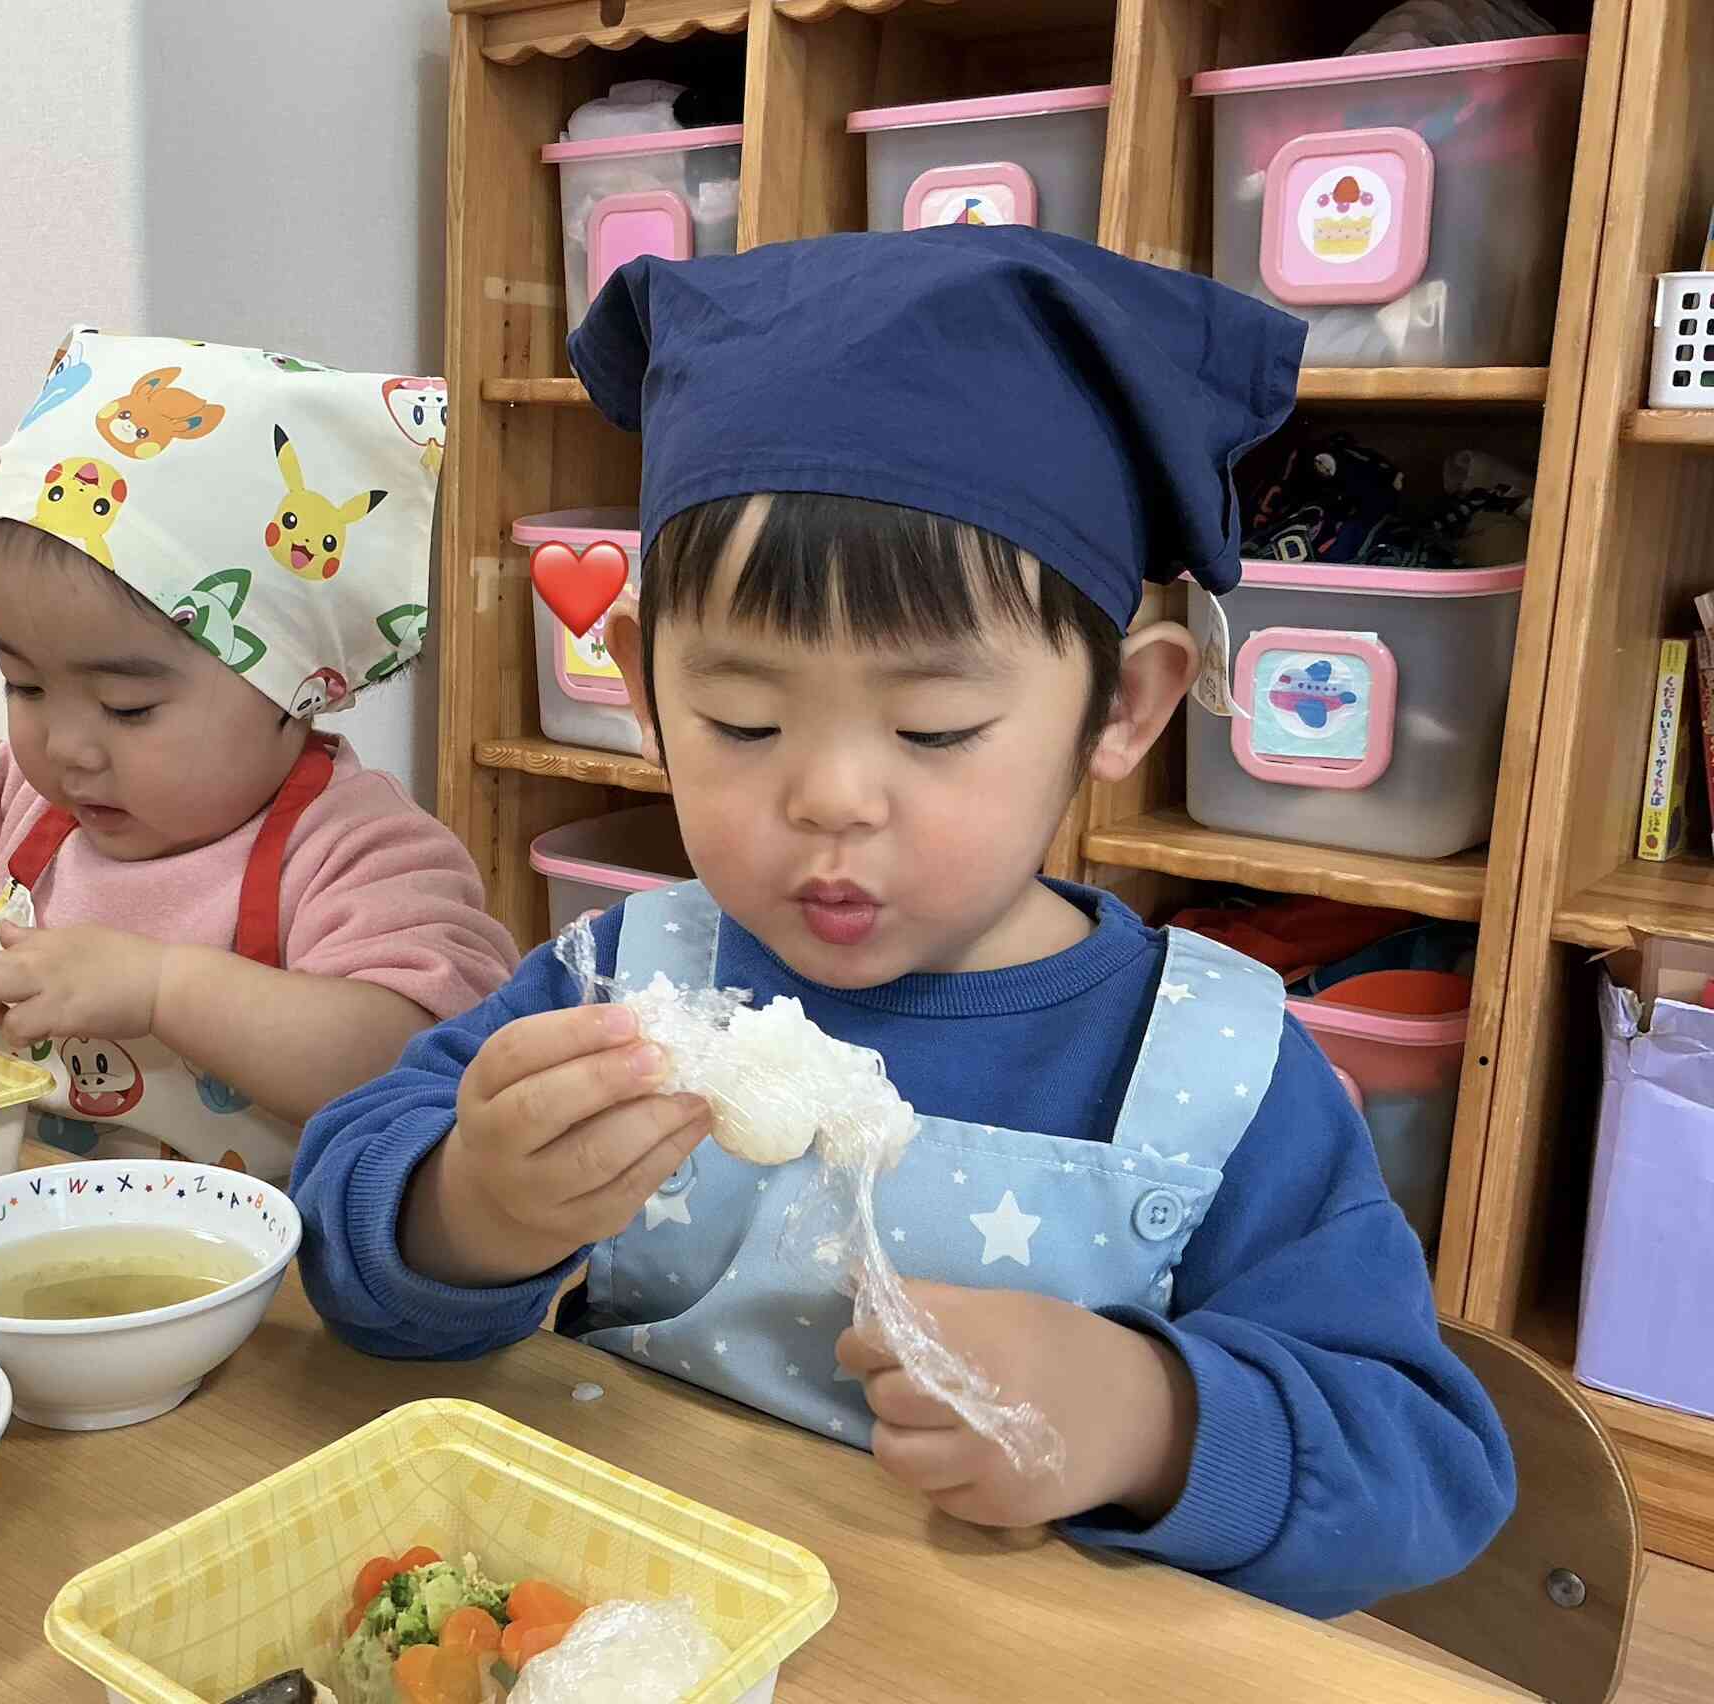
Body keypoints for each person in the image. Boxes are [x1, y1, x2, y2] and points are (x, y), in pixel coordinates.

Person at [292, 229, 1513, 1615]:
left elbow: (1425, 1466)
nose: (827, 799)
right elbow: (344, 1226)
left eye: (935, 727)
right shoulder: (619, 978)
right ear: (640, 685)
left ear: (1123, 708)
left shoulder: (1221, 1072)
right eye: (741, 720)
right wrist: (467, 1210)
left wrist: (1149, 1419)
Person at [0, 330, 517, 1177]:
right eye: (24, 684)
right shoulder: (14, 806)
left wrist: (162, 990)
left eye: (127, 706)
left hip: (260, 1287)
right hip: (18, 1238)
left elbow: (408, 1057)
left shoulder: (361, 853)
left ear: (293, 685)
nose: (67, 747)